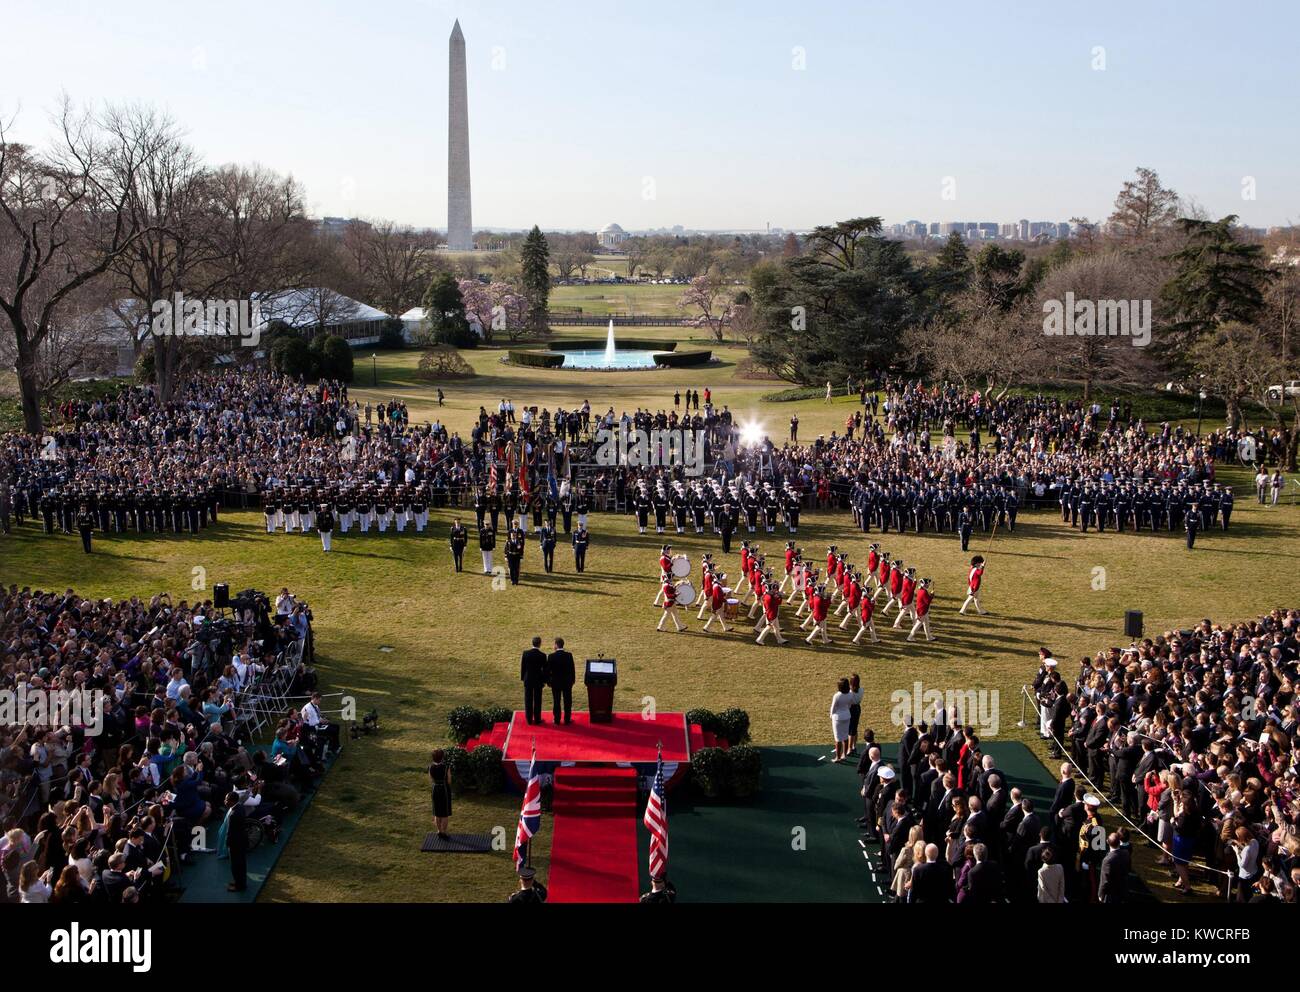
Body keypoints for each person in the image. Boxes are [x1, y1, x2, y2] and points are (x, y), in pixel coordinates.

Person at [546, 637, 575, 725]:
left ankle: (557, 719)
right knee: (567, 701)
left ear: (556, 645)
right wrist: (572, 680)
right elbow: (572, 669)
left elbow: (547, 671)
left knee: (556, 701)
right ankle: (567, 719)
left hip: (555, 683)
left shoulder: (551, 656)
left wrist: (548, 682)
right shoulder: (569, 655)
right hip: (567, 682)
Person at [223, 792, 248, 893]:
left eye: (226, 800)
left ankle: (239, 886)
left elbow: (230, 832)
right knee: (241, 864)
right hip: (241, 840)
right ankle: (239, 882)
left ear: (232, 801)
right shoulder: (240, 807)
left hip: (236, 843)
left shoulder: (233, 814)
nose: (225, 801)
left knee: (236, 865)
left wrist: (227, 842)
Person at [520, 637, 548, 725]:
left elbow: (523, 667)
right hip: (538, 680)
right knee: (537, 700)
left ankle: (529, 719)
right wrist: (544, 681)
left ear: (532, 643)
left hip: (528, 679)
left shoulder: (526, 653)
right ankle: (537, 719)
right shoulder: (542, 655)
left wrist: (523, 678)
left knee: (528, 699)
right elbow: (545, 670)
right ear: (540, 644)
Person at [429, 749, 452, 839]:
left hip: (435, 789)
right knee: (444, 813)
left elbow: (431, 779)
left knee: (437, 812)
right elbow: (449, 780)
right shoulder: (446, 766)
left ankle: (439, 831)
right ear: (442, 757)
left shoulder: (431, 767)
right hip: (444, 789)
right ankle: (444, 832)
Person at [830, 678, 853, 762]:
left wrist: (831, 715)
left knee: (838, 738)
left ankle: (838, 757)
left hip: (837, 718)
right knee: (845, 736)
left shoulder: (837, 695)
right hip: (847, 716)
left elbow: (833, 707)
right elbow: (850, 705)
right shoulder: (850, 694)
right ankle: (844, 755)